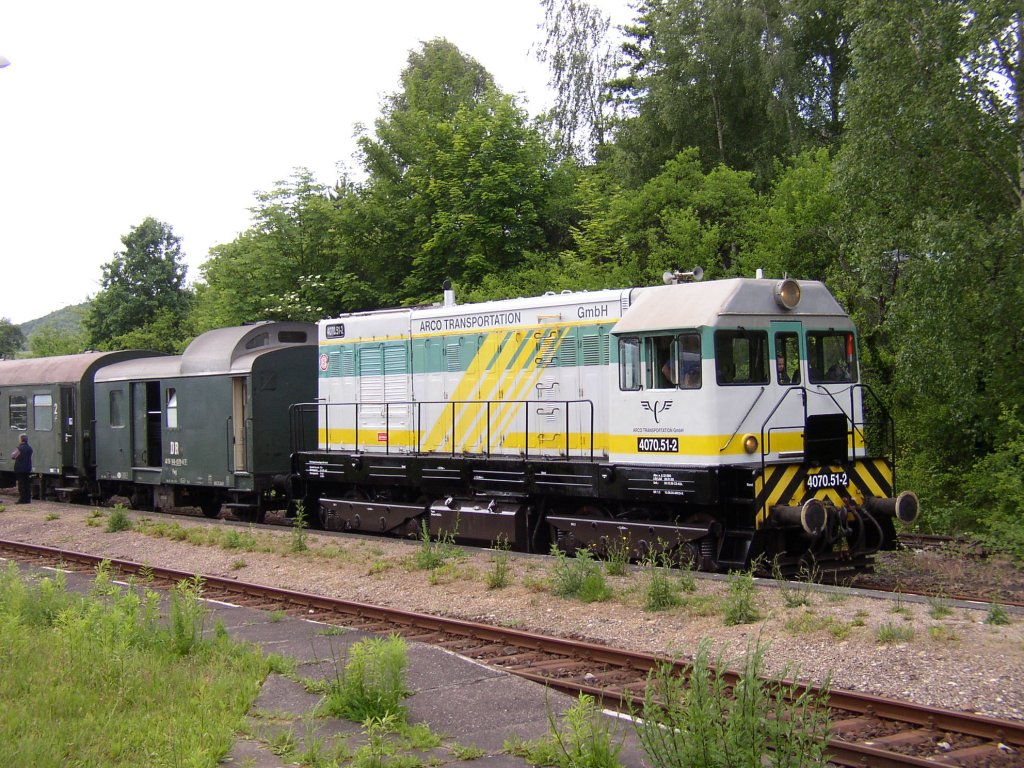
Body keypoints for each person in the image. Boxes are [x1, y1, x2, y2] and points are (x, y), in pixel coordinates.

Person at [11, 434, 33, 504]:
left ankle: (22, 499)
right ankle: (28, 499)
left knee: (21, 484)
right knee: (27, 484)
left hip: (20, 468)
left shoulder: (20, 448)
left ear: (21, 440)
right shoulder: (30, 448)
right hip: (27, 468)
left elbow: (13, 456)